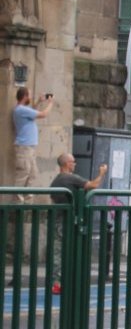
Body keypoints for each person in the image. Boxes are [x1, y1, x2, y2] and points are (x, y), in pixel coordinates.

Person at [46, 153, 106, 293]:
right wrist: (101, 173)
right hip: (67, 221)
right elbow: (93, 185)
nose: (75, 164)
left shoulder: (57, 180)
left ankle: (58, 283)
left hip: (58, 220)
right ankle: (65, 283)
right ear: (67, 163)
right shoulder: (69, 178)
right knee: (70, 251)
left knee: (58, 252)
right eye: (73, 161)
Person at [11, 87, 52, 192]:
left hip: (29, 147)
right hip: (24, 147)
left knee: (33, 175)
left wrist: (39, 101)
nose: (30, 97)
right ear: (24, 96)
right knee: (22, 175)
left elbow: (32, 112)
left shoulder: (22, 110)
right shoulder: (21, 109)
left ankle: (28, 203)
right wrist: (51, 103)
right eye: (29, 95)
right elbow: (43, 114)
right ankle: (17, 205)